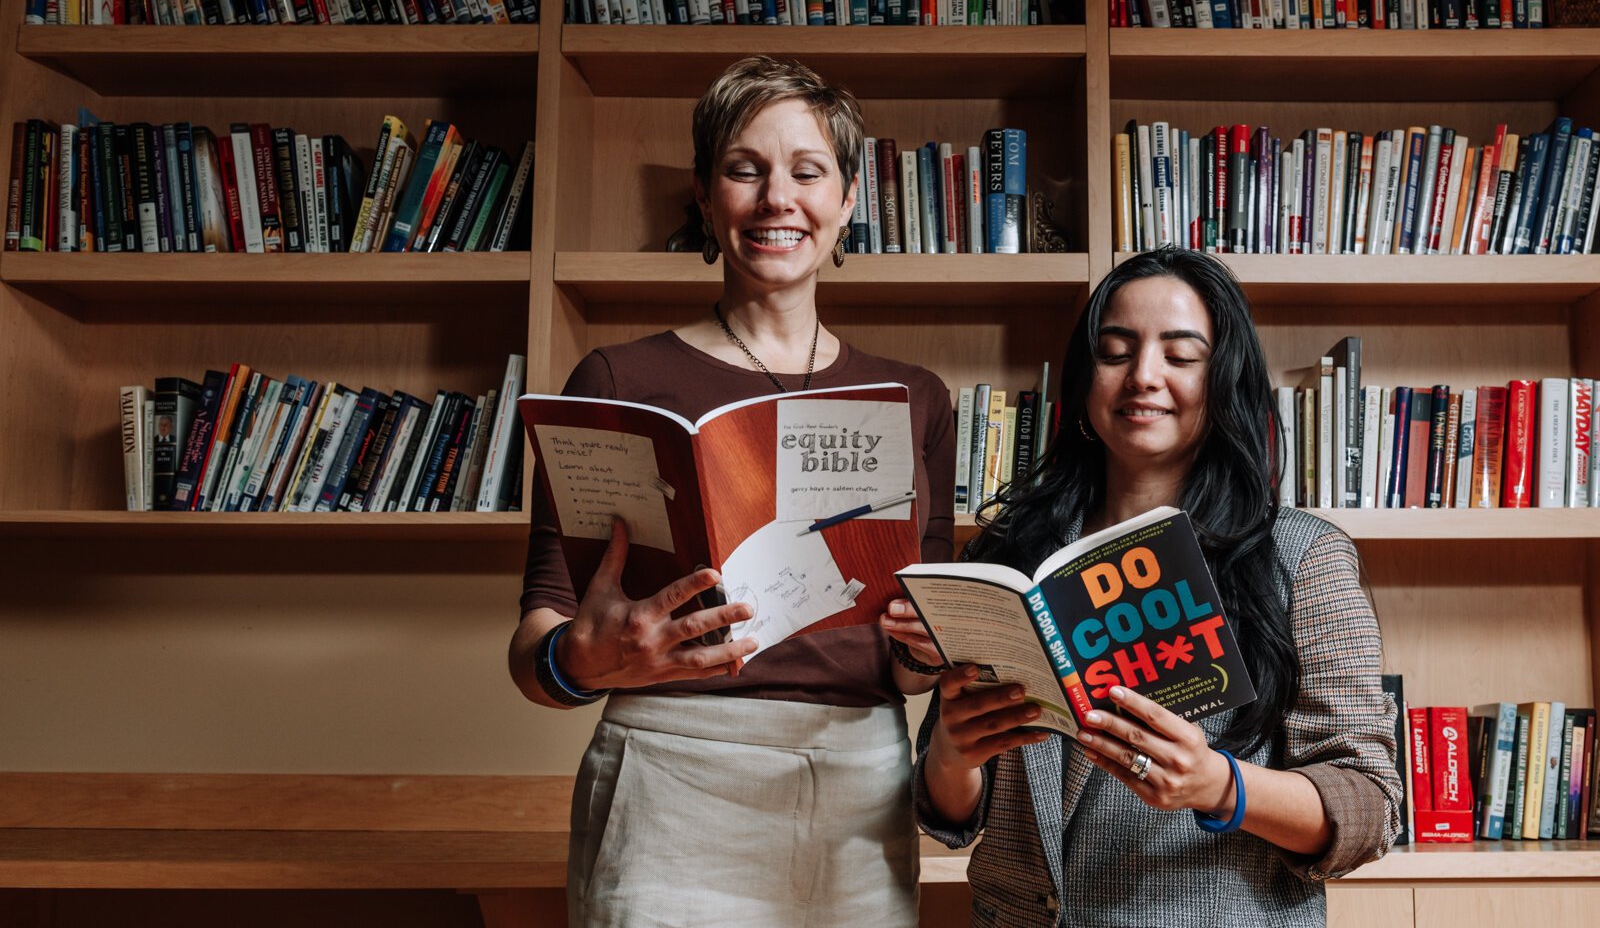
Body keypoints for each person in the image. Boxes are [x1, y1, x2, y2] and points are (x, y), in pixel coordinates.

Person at [509, 56, 955, 928]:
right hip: (668, 772)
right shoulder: (614, 376)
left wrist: (932, 647)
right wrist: (579, 662)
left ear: (849, 198)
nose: (776, 198)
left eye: (807, 170)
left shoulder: (917, 398)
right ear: (709, 200)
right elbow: (537, 633)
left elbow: (907, 664)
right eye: (744, 169)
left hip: (860, 786)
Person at [891, 248, 1401, 927]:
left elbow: (1370, 806)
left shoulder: (1303, 558)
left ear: (1223, 383)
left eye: (1181, 356)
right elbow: (952, 814)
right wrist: (953, 759)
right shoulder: (1010, 557)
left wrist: (1221, 785)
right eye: (1114, 352)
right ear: (1084, 380)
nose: (1143, 377)